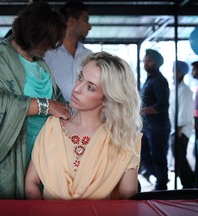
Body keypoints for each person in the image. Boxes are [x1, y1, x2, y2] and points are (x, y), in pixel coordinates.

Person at [0, 2, 71, 199]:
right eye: (47, 41)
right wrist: (46, 106)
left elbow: (58, 101)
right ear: (33, 36)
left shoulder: (40, 63)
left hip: (41, 154)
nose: (50, 48)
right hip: (8, 148)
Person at [25, 51, 143, 200]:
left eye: (90, 87)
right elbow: (31, 183)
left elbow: (128, 196)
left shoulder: (124, 140)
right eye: (80, 77)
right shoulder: (51, 127)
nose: (77, 89)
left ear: (107, 99)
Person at [44, 0, 92, 102]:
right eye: (85, 20)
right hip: (53, 116)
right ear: (71, 22)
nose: (89, 26)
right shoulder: (47, 53)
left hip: (82, 116)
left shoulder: (89, 56)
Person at [140, 49, 170, 190]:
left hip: (159, 127)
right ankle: (160, 178)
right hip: (147, 126)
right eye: (145, 59)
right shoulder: (149, 80)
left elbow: (162, 105)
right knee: (143, 154)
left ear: (157, 63)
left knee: (158, 157)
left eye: (149, 60)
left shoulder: (159, 81)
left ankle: (162, 186)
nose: (145, 62)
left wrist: (141, 111)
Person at [169, 60, 195, 188]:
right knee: (179, 159)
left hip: (181, 130)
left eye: (175, 70)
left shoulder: (185, 90)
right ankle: (191, 183)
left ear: (180, 73)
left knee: (180, 159)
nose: (173, 73)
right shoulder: (176, 88)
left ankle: (189, 185)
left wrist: (178, 129)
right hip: (175, 129)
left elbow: (184, 111)